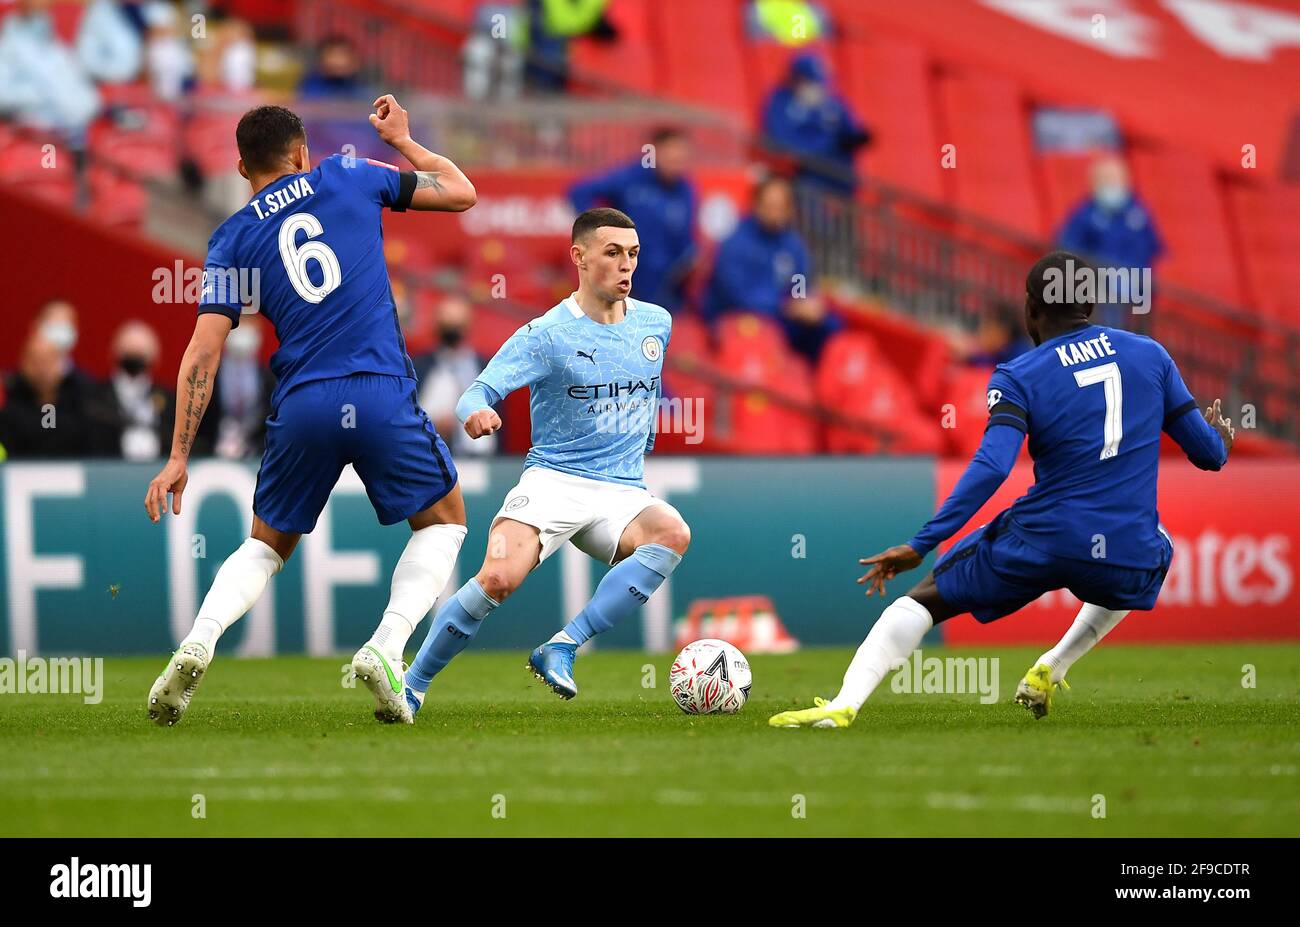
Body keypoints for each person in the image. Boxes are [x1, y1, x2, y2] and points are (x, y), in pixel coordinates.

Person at [769, 250, 1233, 729]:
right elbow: (1209, 455)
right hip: (1127, 548)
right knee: (1156, 547)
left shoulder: (1019, 375)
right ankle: (1053, 665)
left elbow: (992, 466)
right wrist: (1223, 437)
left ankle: (844, 704)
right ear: (1091, 308)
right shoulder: (1151, 355)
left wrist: (921, 543)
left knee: (922, 600)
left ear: (1030, 308)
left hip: (1045, 536)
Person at [142, 95, 478, 727]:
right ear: (302, 154)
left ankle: (199, 642)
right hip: (378, 389)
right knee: (444, 522)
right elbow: (460, 192)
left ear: (244, 169)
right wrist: (404, 140)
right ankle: (386, 646)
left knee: (266, 545)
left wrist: (179, 454)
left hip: (303, 403)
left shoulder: (233, 238)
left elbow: (202, 353)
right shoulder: (349, 175)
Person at [402, 207, 690, 711]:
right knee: (496, 578)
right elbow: (478, 392)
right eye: (613, 253)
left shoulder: (655, 323)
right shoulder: (548, 333)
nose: (626, 265)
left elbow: (647, 394)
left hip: (621, 489)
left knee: (672, 533)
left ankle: (562, 645)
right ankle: (413, 684)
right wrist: (476, 414)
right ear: (579, 257)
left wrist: (641, 445)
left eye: (633, 255)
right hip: (554, 480)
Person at [705, 175, 840, 361]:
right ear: (756, 204)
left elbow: (799, 285)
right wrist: (784, 306)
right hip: (740, 318)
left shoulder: (793, 246)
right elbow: (736, 295)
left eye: (780, 207)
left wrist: (804, 303)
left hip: (781, 319)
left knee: (830, 326)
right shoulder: (736, 242)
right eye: (769, 205)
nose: (774, 212)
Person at [568, 127, 697, 310]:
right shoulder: (630, 178)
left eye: (680, 158)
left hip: (667, 286)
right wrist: (600, 228)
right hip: (626, 277)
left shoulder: (686, 190)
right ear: (654, 152)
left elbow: (686, 238)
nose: (675, 163)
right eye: (670, 156)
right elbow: (580, 192)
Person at [1057, 155, 1163, 326]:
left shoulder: (1138, 212)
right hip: (1099, 287)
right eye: (1107, 180)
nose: (1112, 185)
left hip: (1135, 285)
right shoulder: (1083, 214)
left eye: (1116, 179)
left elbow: (1151, 247)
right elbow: (1068, 249)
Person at [759, 52, 869, 196]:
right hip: (806, 175)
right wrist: (825, 145)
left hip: (839, 175)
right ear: (796, 79)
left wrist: (855, 138)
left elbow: (849, 129)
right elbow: (781, 140)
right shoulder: (780, 101)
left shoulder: (832, 101)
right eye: (810, 81)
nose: (816, 87)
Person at [414, 294, 496, 457]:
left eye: (457, 325)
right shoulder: (418, 367)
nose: (452, 331)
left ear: (468, 325)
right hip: (430, 453)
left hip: (481, 456)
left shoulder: (485, 366)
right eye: (447, 324)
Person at [192, 314, 274, 458]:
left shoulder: (269, 378)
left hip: (256, 454)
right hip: (211, 453)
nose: (243, 332)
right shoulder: (206, 374)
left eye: (249, 327)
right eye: (238, 326)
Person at [106, 320, 175, 461]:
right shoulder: (97, 397)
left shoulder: (168, 399)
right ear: (116, 352)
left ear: (154, 356)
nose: (134, 356)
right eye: (130, 350)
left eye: (140, 352)